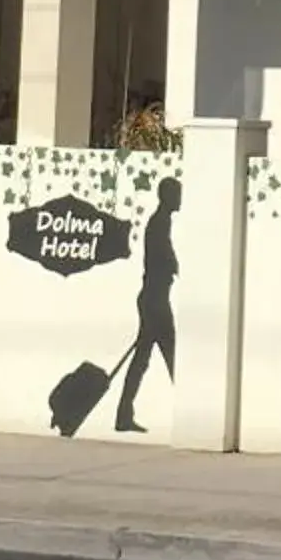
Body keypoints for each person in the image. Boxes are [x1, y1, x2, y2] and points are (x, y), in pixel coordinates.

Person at [114, 176, 181, 433]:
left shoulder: (161, 223)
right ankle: (195, 416)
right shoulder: (159, 223)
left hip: (154, 298)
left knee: (145, 359)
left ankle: (123, 414)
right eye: (177, 194)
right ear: (168, 196)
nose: (180, 199)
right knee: (170, 356)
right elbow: (160, 258)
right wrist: (173, 267)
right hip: (155, 300)